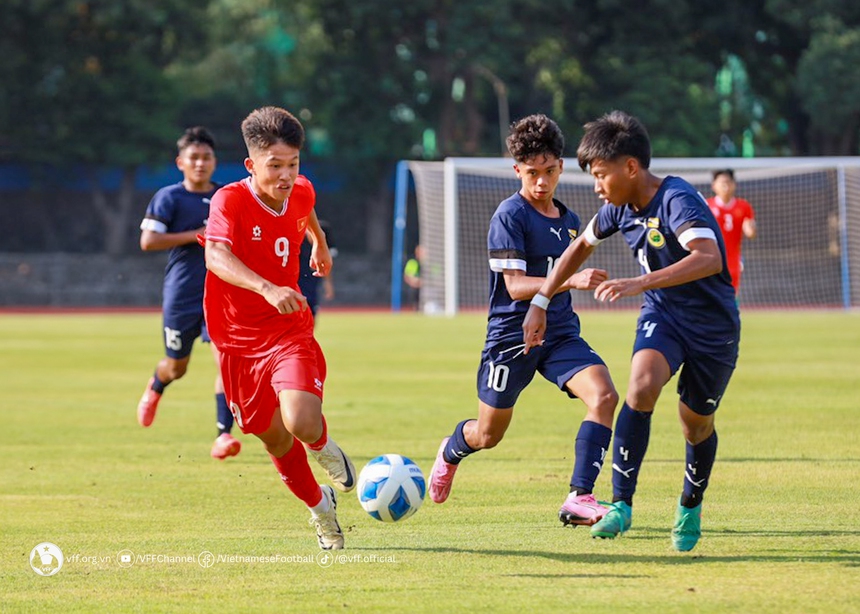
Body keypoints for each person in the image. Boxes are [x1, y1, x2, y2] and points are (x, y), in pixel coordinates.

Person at [523, 110, 740, 552]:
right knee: (640, 388)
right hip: (664, 315)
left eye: (602, 175)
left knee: (695, 425)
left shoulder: (677, 199)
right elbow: (577, 248)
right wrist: (542, 300)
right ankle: (621, 505)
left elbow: (709, 258)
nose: (597, 186)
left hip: (713, 327)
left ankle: (689, 505)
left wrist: (639, 282)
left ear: (631, 167)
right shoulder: (617, 209)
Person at [428, 114, 619, 528]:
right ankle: (452, 449)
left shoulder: (569, 222)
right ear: (517, 170)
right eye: (532, 173)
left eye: (549, 172)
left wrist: (566, 287)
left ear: (562, 168)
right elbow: (514, 287)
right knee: (488, 434)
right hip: (511, 339)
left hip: (560, 333)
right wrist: (572, 279)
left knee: (604, 396)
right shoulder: (509, 215)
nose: (541, 183)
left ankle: (579, 496)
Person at [203, 106, 355, 550]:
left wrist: (320, 246)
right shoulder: (229, 200)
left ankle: (324, 446)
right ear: (252, 165)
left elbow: (305, 212)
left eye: (293, 164)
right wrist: (266, 286)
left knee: (302, 423)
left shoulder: (302, 190)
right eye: (275, 166)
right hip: (236, 341)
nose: (286, 175)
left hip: (288, 329)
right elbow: (215, 256)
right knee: (274, 438)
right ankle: (321, 508)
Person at [137, 126, 241, 461]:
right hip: (182, 293)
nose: (200, 163)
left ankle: (223, 435)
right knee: (176, 366)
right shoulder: (169, 197)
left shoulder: (228, 196)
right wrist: (197, 234)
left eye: (206, 157)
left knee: (227, 363)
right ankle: (157, 385)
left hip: (222, 295)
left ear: (215, 161)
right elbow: (148, 241)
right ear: (180, 162)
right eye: (193, 158)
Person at [706, 169, 757, 293]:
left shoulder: (743, 206)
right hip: (710, 259)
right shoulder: (707, 206)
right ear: (714, 186)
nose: (726, 186)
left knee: (730, 295)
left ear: (734, 184)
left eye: (728, 182)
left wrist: (751, 228)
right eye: (722, 182)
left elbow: (750, 233)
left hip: (733, 261)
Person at [298, 219, 336, 324]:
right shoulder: (295, 231)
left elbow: (327, 260)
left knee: (311, 313)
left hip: (312, 280)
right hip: (296, 280)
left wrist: (328, 282)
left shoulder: (323, 230)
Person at [402, 244, 424, 311]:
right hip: (415, 288)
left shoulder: (429, 264)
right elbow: (407, 276)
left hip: (427, 288)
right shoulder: (412, 263)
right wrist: (416, 282)